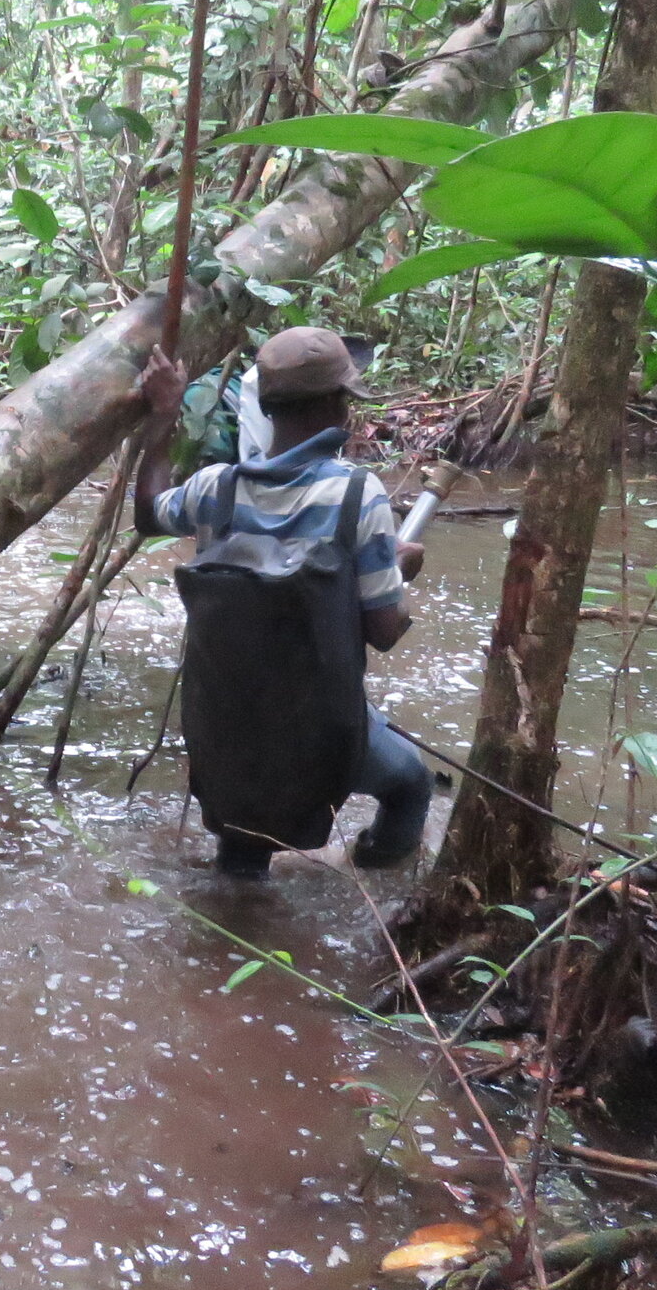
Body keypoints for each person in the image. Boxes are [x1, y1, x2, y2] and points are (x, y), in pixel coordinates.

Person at [135, 327, 434, 877]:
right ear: (337, 407)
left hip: (225, 724)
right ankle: (363, 887)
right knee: (412, 784)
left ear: (267, 408)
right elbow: (385, 631)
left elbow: (149, 511)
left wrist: (163, 414)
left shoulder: (213, 488)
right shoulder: (356, 494)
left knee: (243, 847)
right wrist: (400, 571)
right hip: (319, 727)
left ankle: (227, 927)